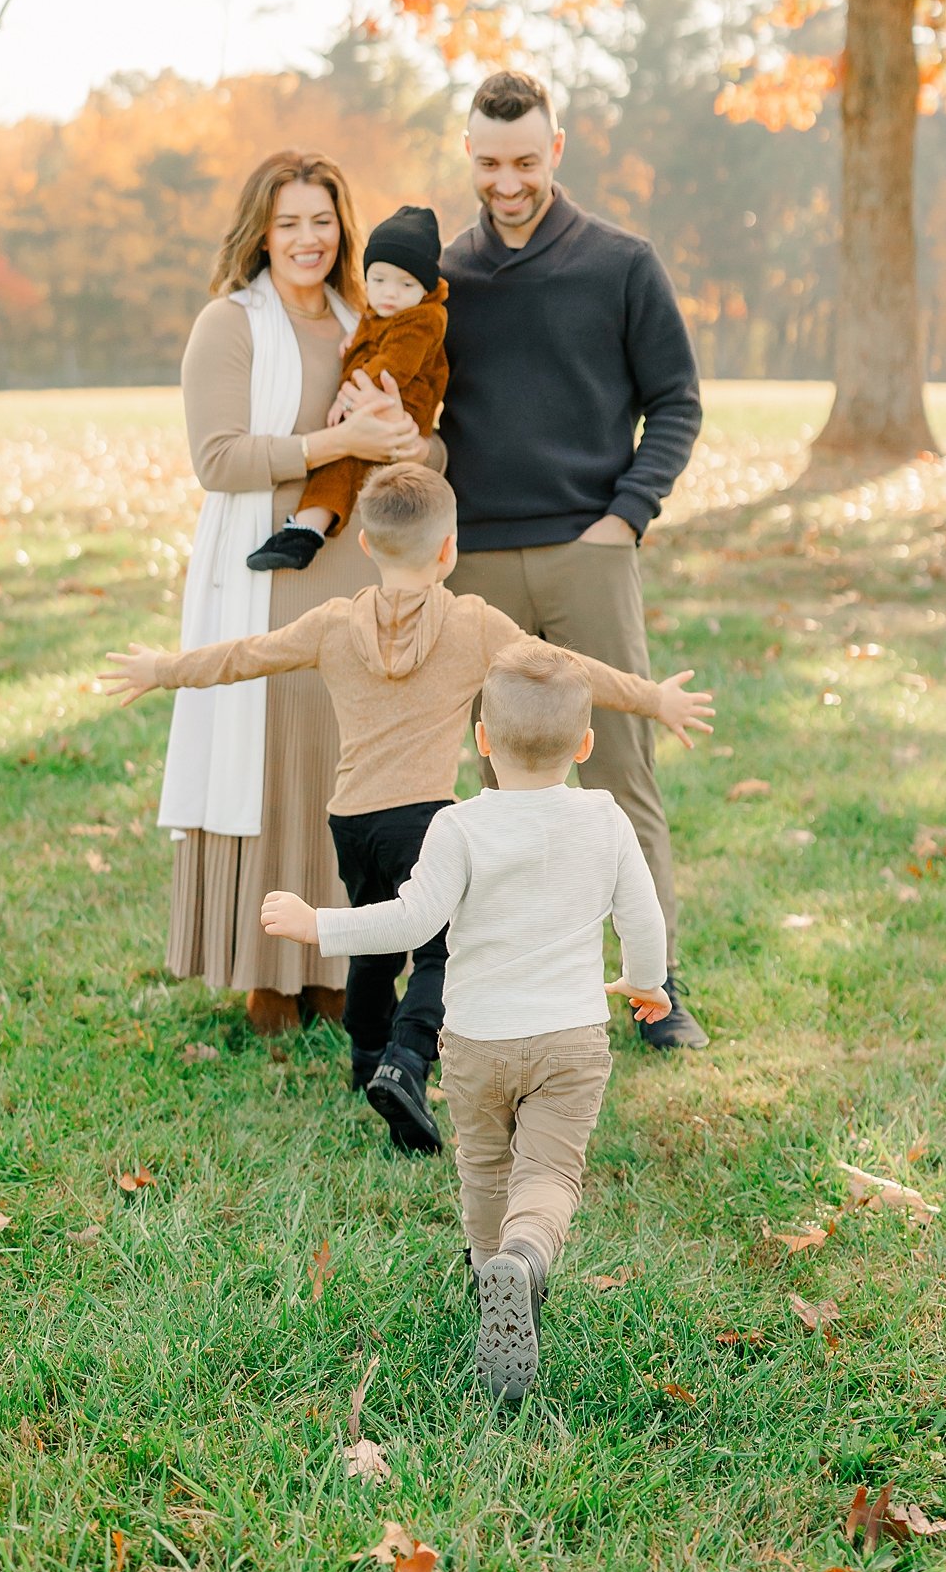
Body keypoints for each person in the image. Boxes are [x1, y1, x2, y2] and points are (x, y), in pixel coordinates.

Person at [101, 465, 712, 1151]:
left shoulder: (333, 624)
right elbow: (561, 668)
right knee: (443, 949)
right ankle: (407, 1059)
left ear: (365, 544)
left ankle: (366, 1058)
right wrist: (651, 697)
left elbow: (247, 656)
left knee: (373, 942)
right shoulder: (473, 623)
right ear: (448, 549)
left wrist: (162, 669)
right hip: (425, 822)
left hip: (352, 820)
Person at [261, 640, 673, 1404]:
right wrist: (647, 984)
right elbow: (642, 922)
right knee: (548, 1173)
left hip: (478, 1042)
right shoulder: (605, 819)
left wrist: (319, 924)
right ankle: (525, 1257)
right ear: (585, 744)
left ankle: (493, 1274)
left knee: (486, 1170)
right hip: (570, 1041)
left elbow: (411, 919)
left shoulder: (458, 826)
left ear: (480, 741)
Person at [441, 70, 708, 1048]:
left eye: (523, 161)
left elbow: (675, 400)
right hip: (475, 570)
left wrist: (626, 516)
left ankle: (657, 988)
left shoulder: (623, 264)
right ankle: (491, 989)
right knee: (488, 786)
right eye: (487, 163)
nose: (506, 182)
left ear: (557, 149)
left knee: (620, 772)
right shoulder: (444, 278)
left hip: (590, 552)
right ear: (467, 155)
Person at [157, 150, 426, 1038]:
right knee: (272, 769)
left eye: (322, 220)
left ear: (343, 228)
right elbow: (219, 459)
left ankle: (335, 966)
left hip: (362, 576)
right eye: (289, 223)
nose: (308, 239)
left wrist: (405, 446)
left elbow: (419, 433)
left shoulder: (375, 319)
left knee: (343, 774)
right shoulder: (230, 325)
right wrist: (331, 440)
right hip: (266, 578)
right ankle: (267, 970)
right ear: (260, 233)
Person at [247, 206, 449, 572]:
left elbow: (396, 364)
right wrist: (358, 338)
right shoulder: (382, 311)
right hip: (376, 399)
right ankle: (307, 529)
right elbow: (377, 331)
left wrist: (348, 395)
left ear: (425, 288)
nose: (390, 293)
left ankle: (307, 531)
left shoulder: (425, 317)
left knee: (345, 456)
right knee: (344, 452)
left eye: (406, 284)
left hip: (404, 405)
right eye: (379, 280)